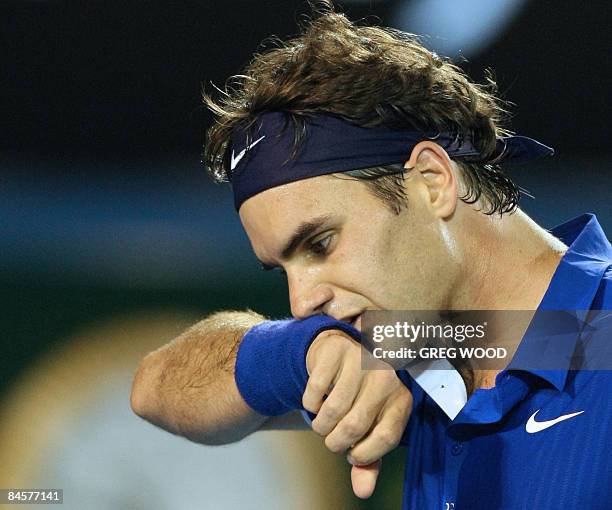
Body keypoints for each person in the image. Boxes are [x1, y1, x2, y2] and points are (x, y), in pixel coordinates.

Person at [131, 3, 612, 508]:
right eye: (283, 269)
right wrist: (303, 353)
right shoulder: (422, 340)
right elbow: (155, 390)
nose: (301, 303)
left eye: (320, 244)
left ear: (431, 181)